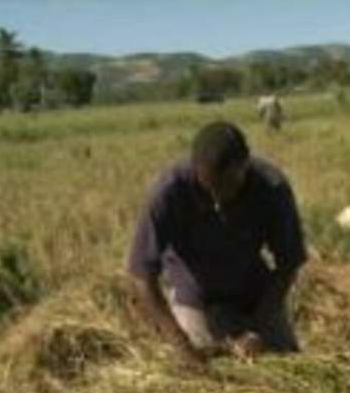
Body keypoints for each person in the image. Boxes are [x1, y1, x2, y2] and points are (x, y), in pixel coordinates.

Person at [128, 121, 307, 369]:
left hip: (254, 293)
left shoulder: (271, 187)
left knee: (289, 367)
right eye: (209, 188)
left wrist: (259, 327)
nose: (218, 200)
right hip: (194, 293)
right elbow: (141, 275)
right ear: (196, 169)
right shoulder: (168, 191)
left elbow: (290, 261)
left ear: (245, 164)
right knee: (200, 376)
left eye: (228, 187)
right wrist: (181, 345)